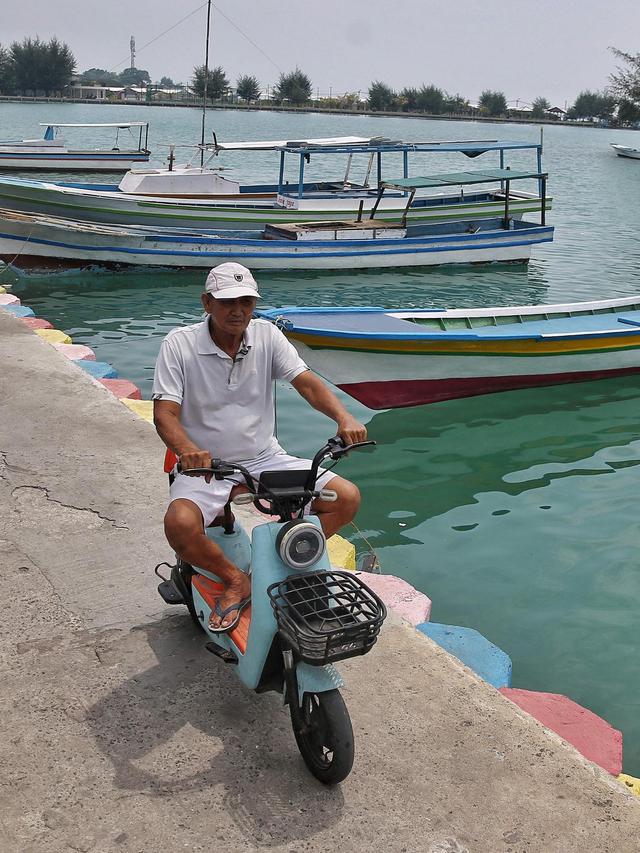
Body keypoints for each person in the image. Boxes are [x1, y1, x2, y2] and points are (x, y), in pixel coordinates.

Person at [152, 262, 367, 632]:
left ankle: (278, 565)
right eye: (228, 302)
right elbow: (165, 414)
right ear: (207, 303)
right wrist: (188, 449)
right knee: (180, 525)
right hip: (208, 466)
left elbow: (306, 383)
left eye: (247, 302)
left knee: (346, 497)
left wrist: (343, 418)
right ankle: (236, 580)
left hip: (265, 457)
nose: (238, 310)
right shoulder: (180, 344)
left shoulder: (266, 335)